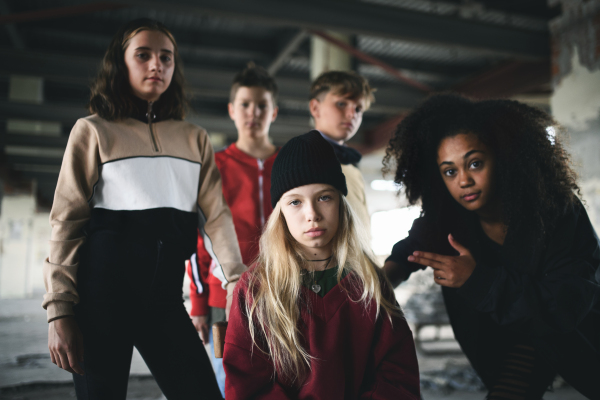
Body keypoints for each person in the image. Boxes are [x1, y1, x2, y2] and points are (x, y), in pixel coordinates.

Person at [43, 18, 245, 399]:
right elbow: (66, 223)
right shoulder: (93, 132)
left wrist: (236, 281)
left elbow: (217, 217)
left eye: (166, 58)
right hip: (99, 303)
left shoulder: (194, 139)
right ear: (121, 65)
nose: (157, 65)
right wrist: (59, 310)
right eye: (144, 55)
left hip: (164, 300)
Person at [382, 94, 600, 399]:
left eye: (474, 163)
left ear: (504, 158)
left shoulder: (556, 211)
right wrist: (379, 282)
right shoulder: (448, 218)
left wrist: (477, 280)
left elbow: (564, 305)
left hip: (573, 333)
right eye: (450, 171)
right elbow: (411, 250)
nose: (464, 180)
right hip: (511, 343)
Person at [223, 130, 420, 400]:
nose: (312, 214)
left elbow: (397, 374)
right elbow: (248, 386)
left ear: (341, 203)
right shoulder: (256, 288)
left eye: (324, 197)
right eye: (295, 202)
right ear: (279, 213)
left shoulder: (368, 281)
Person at [187, 63, 279, 397]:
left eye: (262, 105)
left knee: (283, 380)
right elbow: (197, 239)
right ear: (231, 110)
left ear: (274, 112)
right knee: (229, 384)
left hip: (283, 291)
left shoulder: (288, 165)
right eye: (245, 104)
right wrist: (198, 302)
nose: (253, 112)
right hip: (221, 297)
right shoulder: (214, 167)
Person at [309, 71, 374, 236]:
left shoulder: (350, 166)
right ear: (315, 108)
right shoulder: (305, 162)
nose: (352, 115)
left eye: (358, 109)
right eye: (341, 104)